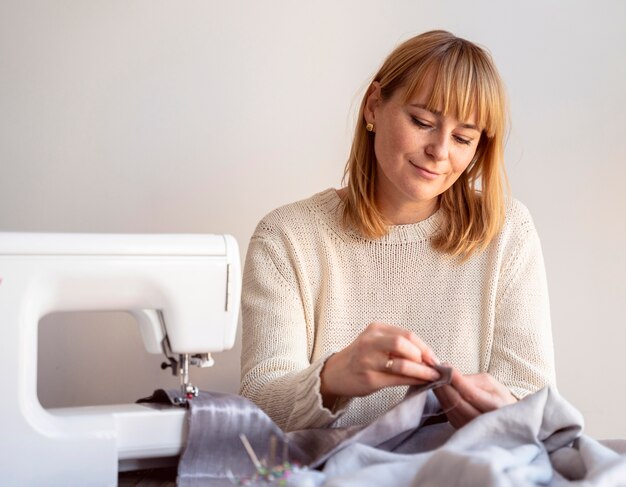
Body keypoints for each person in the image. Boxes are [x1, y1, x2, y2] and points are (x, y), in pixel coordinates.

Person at [239, 30, 556, 432]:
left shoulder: (507, 231)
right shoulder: (286, 238)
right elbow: (257, 404)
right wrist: (332, 378)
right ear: (374, 106)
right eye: (422, 121)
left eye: (463, 138)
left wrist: (504, 408)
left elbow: (536, 403)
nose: (440, 151)